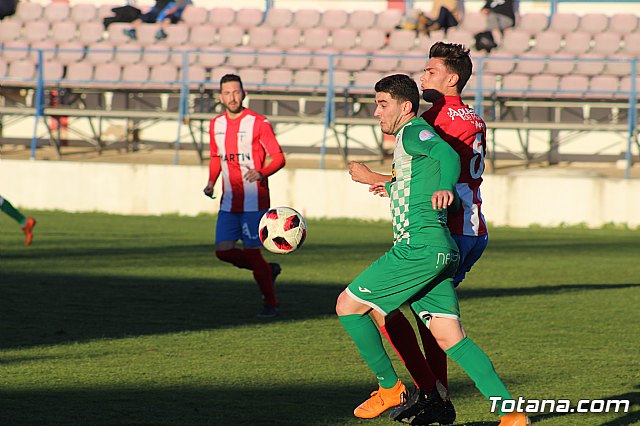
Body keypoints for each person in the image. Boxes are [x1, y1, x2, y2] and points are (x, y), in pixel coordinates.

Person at [337, 74, 528, 426]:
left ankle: (390, 388)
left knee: (348, 306)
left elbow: (443, 152)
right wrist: (389, 186)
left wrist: (444, 187)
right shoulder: (407, 146)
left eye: (382, 105)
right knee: (450, 336)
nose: (376, 113)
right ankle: (512, 414)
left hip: (419, 248)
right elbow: (420, 187)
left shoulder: (413, 131)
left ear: (405, 106)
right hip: (440, 251)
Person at [349, 41, 489, 425]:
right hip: (472, 223)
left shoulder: (439, 119)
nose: (423, 75)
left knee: (395, 312)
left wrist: (377, 179)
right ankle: (438, 395)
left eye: (430, 71)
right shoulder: (471, 116)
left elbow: (433, 170)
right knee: (430, 318)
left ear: (451, 77)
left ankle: (431, 393)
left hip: (447, 225)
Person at [203, 74, 286, 319]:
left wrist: (262, 172)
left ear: (244, 93)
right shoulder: (215, 124)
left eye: (236, 92)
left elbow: (279, 157)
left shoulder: (259, 123)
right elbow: (216, 157)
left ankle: (271, 303)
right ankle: (267, 270)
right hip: (229, 200)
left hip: (254, 201)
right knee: (223, 251)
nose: (232, 97)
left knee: (251, 252)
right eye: (227, 93)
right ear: (220, 96)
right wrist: (211, 182)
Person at [123, 0, 191, 41]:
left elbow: (178, 5)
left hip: (167, 12)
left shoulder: (173, 3)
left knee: (168, 17)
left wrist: (172, 10)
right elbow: (156, 6)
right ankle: (132, 29)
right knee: (145, 16)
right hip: (157, 12)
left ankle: (161, 30)